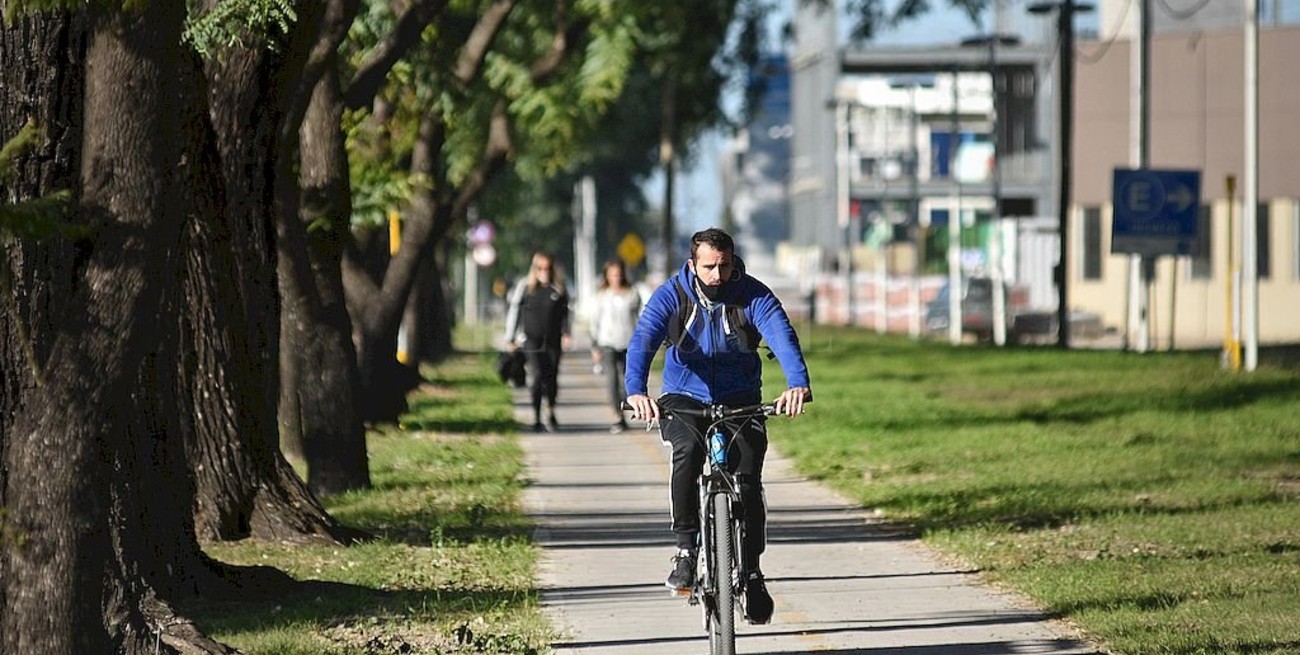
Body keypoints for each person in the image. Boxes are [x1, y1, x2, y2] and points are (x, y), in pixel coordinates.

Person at [623, 227, 811, 626]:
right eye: (709, 266)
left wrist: (797, 383)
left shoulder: (752, 294)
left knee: (748, 475)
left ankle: (753, 571)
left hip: (741, 397)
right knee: (687, 454)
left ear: (733, 261)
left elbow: (781, 334)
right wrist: (636, 391)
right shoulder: (672, 295)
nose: (717, 275)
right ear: (693, 264)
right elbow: (643, 340)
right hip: (683, 397)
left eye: (724, 266)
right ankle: (686, 552)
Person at [504, 251, 572, 432]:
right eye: (540, 268)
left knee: (551, 377)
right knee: (536, 376)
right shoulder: (525, 288)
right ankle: (536, 416)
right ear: (534, 269)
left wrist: (567, 333)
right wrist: (510, 337)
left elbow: (566, 314)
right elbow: (514, 312)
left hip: (553, 341)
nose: (544, 272)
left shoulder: (558, 289)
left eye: (547, 268)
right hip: (531, 340)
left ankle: (550, 409)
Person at [589, 258, 642, 433]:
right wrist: (595, 346)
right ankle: (617, 416)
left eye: (619, 274)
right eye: (612, 275)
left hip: (629, 343)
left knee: (628, 380)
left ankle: (627, 405)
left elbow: (641, 318)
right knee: (612, 380)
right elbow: (595, 322)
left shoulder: (632, 294)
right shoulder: (602, 296)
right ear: (607, 276)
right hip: (607, 343)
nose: (616, 278)